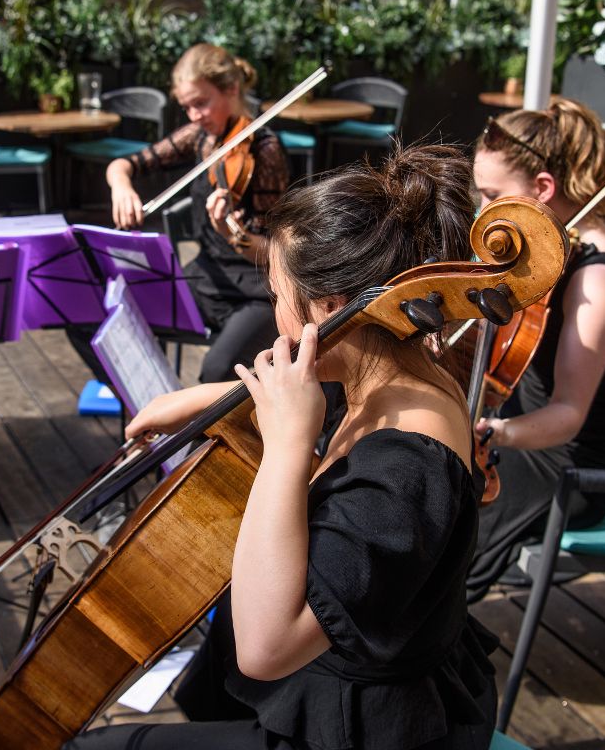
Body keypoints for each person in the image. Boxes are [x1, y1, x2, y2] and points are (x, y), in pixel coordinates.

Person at [66, 145, 498, 750]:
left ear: (329, 307)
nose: (274, 315)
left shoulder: (407, 465)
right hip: (349, 686)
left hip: (363, 728)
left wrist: (287, 447)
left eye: (277, 295)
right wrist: (211, 397)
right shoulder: (397, 372)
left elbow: (265, 648)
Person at [465, 97, 605, 602]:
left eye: (492, 195)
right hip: (517, 443)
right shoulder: (548, 254)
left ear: (543, 189)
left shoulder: (599, 279)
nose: (483, 212)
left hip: (565, 468)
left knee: (442, 513)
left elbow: (568, 413)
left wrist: (493, 431)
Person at [106, 43, 290, 383]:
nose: (194, 115)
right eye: (186, 107)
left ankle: (195, 428)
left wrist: (228, 231)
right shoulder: (201, 137)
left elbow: (277, 252)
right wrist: (121, 185)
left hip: (257, 290)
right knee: (123, 321)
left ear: (231, 89)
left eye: (201, 103)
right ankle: (157, 411)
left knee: (216, 371)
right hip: (207, 276)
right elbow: (125, 164)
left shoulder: (266, 150)